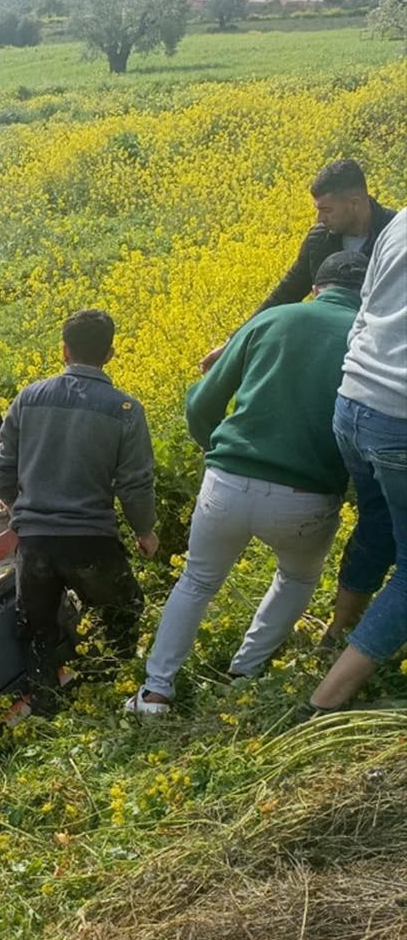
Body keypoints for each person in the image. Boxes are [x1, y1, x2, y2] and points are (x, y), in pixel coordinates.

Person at [123, 251, 369, 715]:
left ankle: (155, 692)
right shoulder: (368, 336)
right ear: (366, 295)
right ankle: (243, 673)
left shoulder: (273, 318)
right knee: (297, 578)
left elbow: (201, 403)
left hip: (228, 482)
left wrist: (215, 451)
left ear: (316, 288)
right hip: (308, 498)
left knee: (196, 580)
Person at [0, 309, 157, 714]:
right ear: (112, 353)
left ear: (63, 350)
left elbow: (1, 465)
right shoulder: (125, 410)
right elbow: (135, 482)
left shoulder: (28, 398)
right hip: (92, 541)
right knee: (122, 613)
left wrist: (16, 504)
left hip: (35, 543)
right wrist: (145, 531)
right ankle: (114, 694)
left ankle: (47, 709)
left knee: (37, 630)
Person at [302, 208, 407, 716]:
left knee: (379, 523)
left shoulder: (401, 222)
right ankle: (324, 703)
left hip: (354, 400)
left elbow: (365, 310)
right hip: (401, 420)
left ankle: (336, 635)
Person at [199, 159, 396, 371]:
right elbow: (285, 294)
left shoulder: (396, 235)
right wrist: (234, 343)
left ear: (354, 203)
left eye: (327, 209)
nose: (320, 219)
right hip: (330, 355)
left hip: (382, 358)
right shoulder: (319, 240)